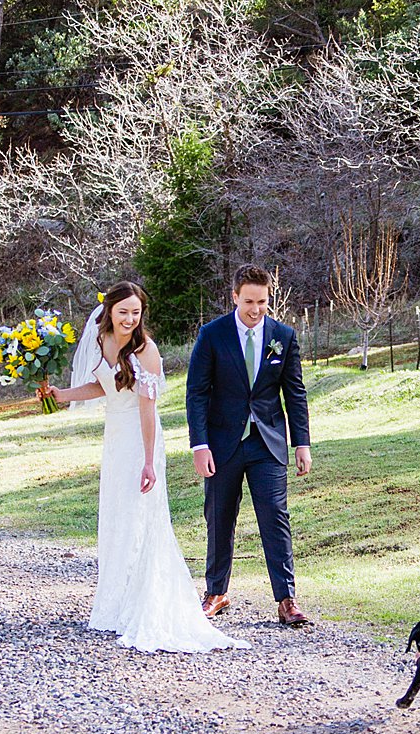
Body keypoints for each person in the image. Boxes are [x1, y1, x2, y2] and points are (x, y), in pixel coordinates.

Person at [43, 280, 234, 654]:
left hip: (142, 438)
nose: (130, 319)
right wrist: (61, 395)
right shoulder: (101, 342)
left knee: (141, 514)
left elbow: (148, 408)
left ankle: (144, 600)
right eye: (123, 312)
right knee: (117, 514)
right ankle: (117, 601)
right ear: (109, 312)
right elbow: (104, 386)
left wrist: (149, 462)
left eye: (136, 312)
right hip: (115, 437)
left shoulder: (146, 350)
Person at [185, 265, 313, 628]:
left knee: (275, 516)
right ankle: (216, 592)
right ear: (234, 297)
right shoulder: (212, 335)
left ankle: (286, 599)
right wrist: (200, 445)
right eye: (248, 302)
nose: (256, 310)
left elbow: (295, 393)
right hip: (223, 443)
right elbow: (196, 393)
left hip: (268, 442)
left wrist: (301, 443)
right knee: (219, 517)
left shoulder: (283, 336)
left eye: (262, 302)